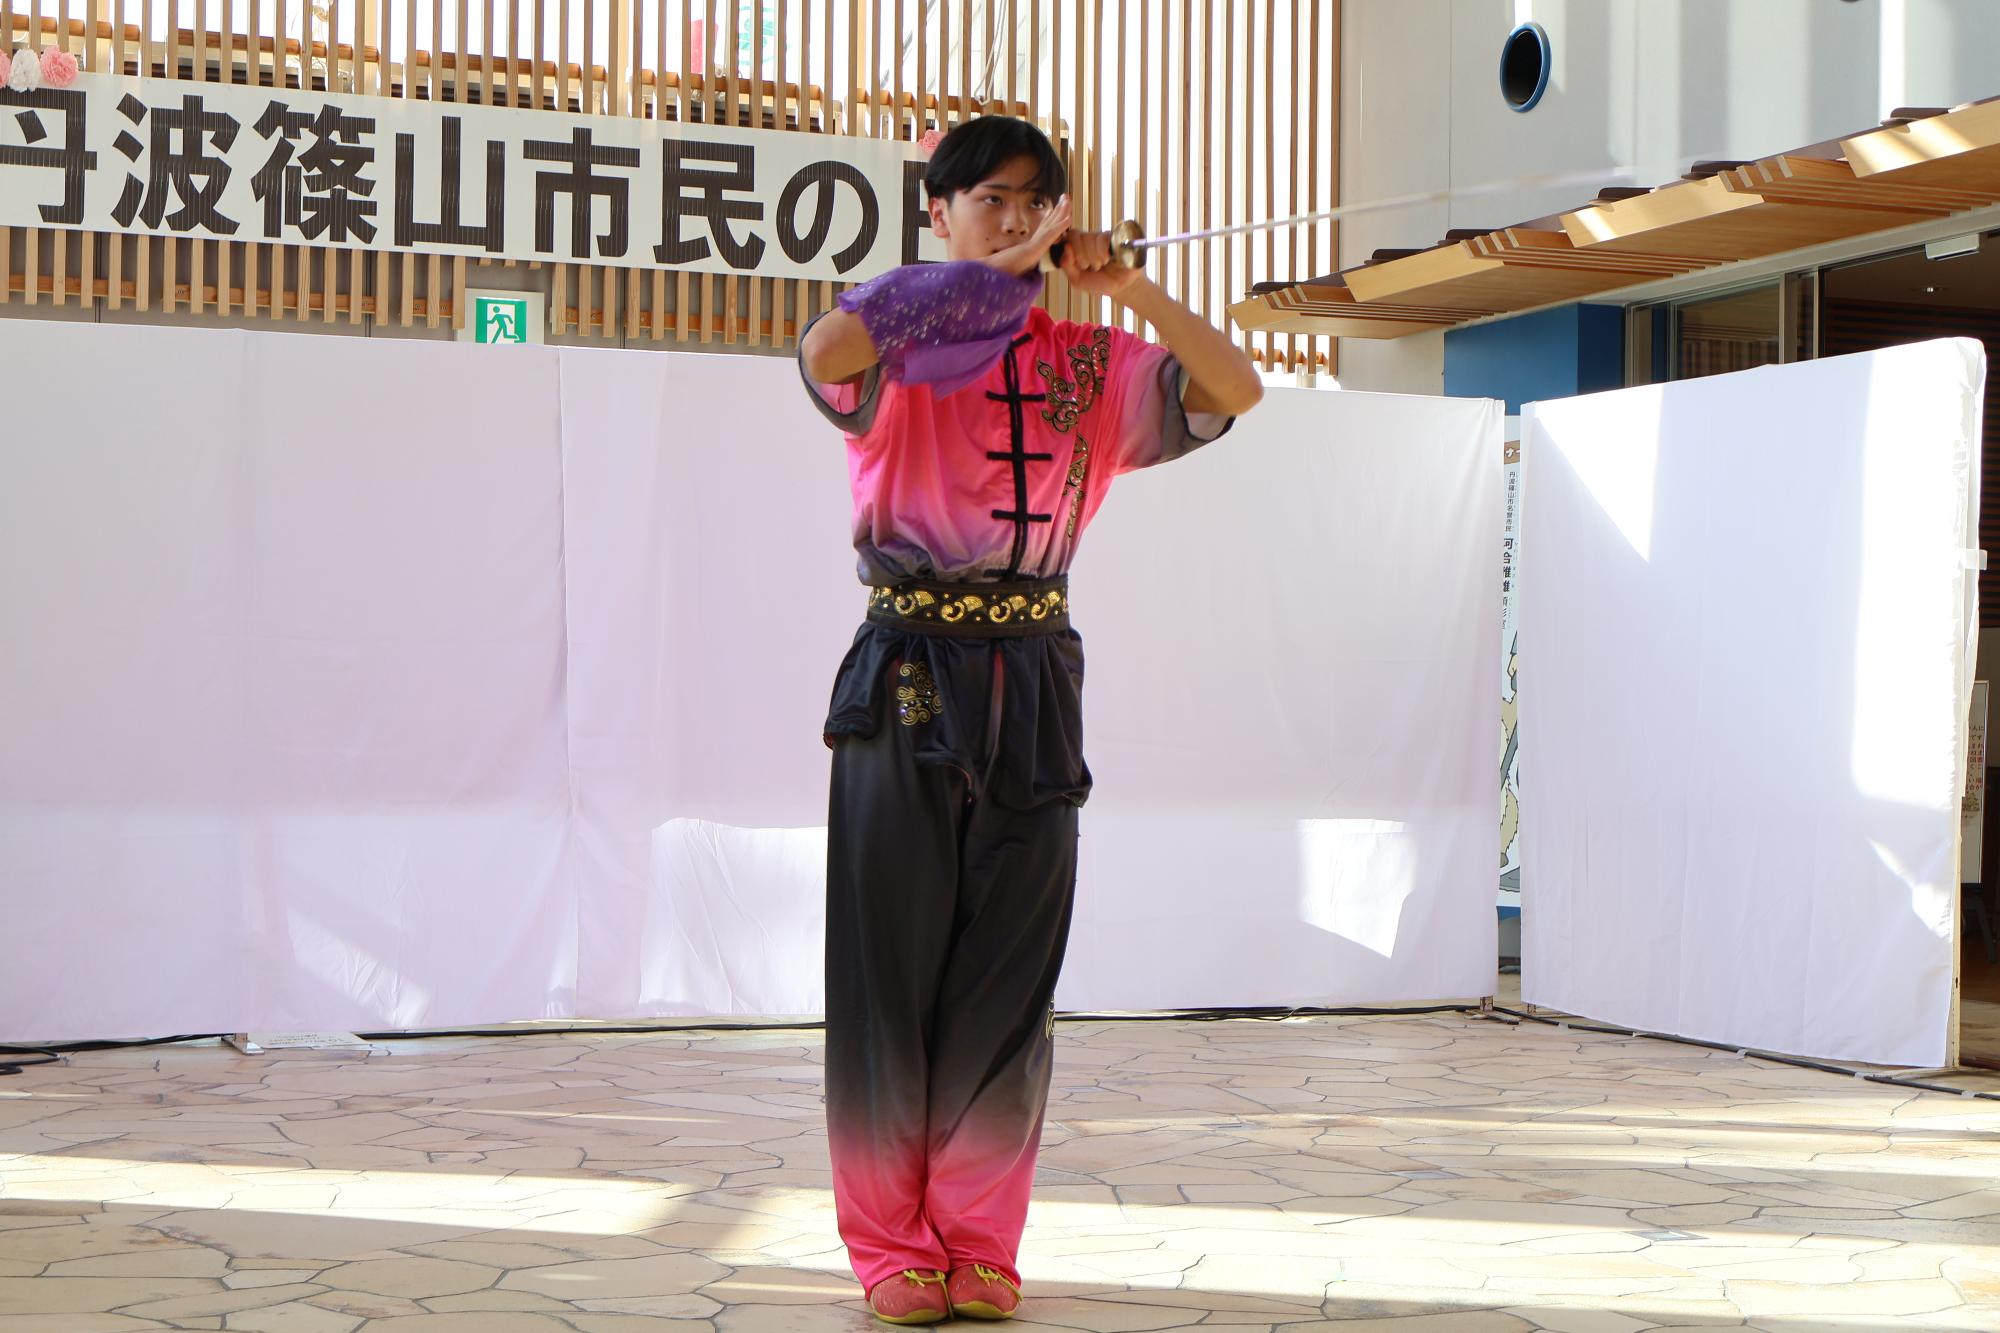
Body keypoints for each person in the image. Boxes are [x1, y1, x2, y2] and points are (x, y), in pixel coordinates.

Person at [797, 114, 1263, 1326]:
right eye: (984, 200)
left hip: (1035, 678)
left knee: (1009, 972)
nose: (1008, 218)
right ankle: (890, 1243)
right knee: (888, 967)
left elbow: (1234, 388)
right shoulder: (892, 339)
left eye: (1029, 203)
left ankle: (978, 1235)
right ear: (938, 215)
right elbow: (822, 348)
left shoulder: (1087, 360)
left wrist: (1134, 285)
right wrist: (968, 286)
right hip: (903, 673)